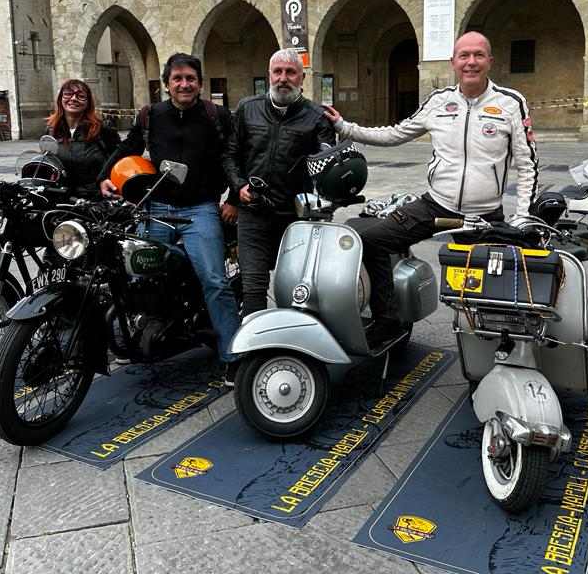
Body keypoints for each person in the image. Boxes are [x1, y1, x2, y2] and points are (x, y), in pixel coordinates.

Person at [322, 31, 539, 336]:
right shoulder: (439, 101)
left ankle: (493, 338)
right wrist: (347, 129)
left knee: (493, 292)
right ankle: (388, 320)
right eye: (464, 56)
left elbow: (527, 164)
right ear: (453, 62)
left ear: (490, 61)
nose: (471, 62)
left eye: (478, 55)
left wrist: (522, 216)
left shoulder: (511, 103)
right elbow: (396, 133)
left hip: (485, 216)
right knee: (372, 242)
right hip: (435, 205)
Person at [98, 53, 241, 374]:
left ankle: (233, 355)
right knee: (143, 275)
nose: (184, 84)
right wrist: (105, 176)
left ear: (200, 83)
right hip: (156, 207)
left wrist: (234, 198)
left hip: (200, 207)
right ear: (166, 84)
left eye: (190, 78)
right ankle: (154, 332)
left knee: (215, 281)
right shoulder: (151, 115)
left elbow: (234, 157)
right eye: (177, 79)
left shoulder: (216, 115)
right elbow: (128, 148)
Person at [228, 48, 336, 319]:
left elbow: (327, 164)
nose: (283, 78)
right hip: (253, 213)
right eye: (278, 71)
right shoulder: (246, 108)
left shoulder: (316, 116)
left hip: (294, 217)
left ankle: (291, 347)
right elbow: (229, 154)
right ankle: (252, 353)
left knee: (296, 289)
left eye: (290, 72)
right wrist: (238, 186)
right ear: (269, 76)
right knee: (253, 288)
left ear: (302, 78)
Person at [45, 79, 120, 199]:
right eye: (68, 94)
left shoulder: (103, 129)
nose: (73, 99)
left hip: (95, 200)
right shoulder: (52, 130)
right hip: (61, 200)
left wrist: (106, 181)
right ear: (60, 99)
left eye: (81, 96)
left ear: (88, 102)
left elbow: (118, 161)